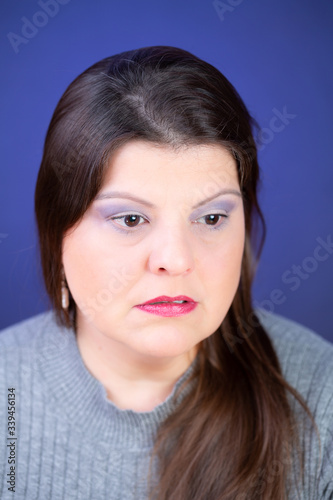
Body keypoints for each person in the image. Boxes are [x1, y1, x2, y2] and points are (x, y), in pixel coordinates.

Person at [0, 45, 332, 500]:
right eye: (131, 220)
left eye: (212, 218)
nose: (176, 261)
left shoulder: (322, 395)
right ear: (59, 230)